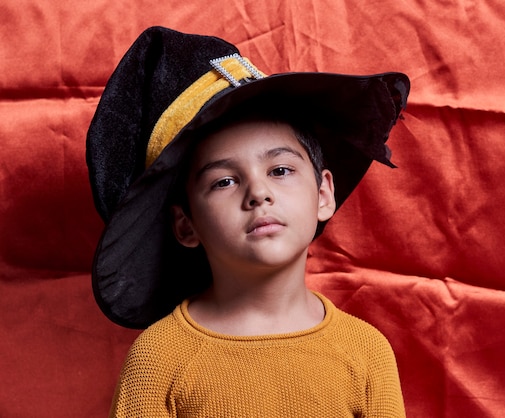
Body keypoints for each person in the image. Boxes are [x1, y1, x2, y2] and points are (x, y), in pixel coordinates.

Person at [86, 26, 410, 417]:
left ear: (324, 194)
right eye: (224, 181)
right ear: (186, 225)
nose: (259, 193)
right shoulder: (159, 360)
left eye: (280, 170)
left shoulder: (365, 352)